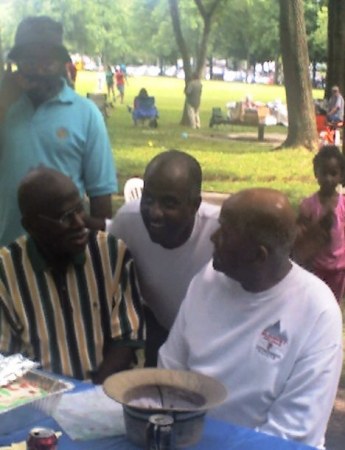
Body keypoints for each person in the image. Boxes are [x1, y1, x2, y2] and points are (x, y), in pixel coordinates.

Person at [159, 188, 343, 448]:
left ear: (259, 255)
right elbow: (169, 370)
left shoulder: (317, 311)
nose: (213, 237)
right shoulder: (207, 280)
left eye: (225, 232)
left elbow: (293, 434)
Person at [0, 167, 144, 383]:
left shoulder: (112, 253)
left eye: (80, 209)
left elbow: (128, 338)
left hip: (106, 391)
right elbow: (6, 358)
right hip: (36, 399)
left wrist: (89, 396)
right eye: (65, 217)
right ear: (31, 226)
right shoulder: (7, 272)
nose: (80, 223)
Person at [0, 16, 117, 247]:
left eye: (47, 62)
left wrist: (99, 249)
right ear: (16, 65)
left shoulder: (86, 114)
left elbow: (101, 196)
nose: (39, 71)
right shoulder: (5, 106)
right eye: (29, 63)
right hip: (6, 250)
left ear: (62, 64)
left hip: (64, 250)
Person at [107, 150, 220, 366]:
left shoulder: (220, 231)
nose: (154, 212)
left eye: (169, 204)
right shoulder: (128, 222)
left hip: (215, 340)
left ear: (195, 205)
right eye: (148, 199)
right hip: (161, 330)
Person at [294, 145, 345, 302]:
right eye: (324, 173)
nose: (329, 178)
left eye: (333, 174)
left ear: (341, 176)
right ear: (316, 173)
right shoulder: (309, 205)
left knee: (333, 302)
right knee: (314, 300)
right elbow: (299, 231)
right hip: (316, 265)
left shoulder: (343, 204)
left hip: (339, 267)